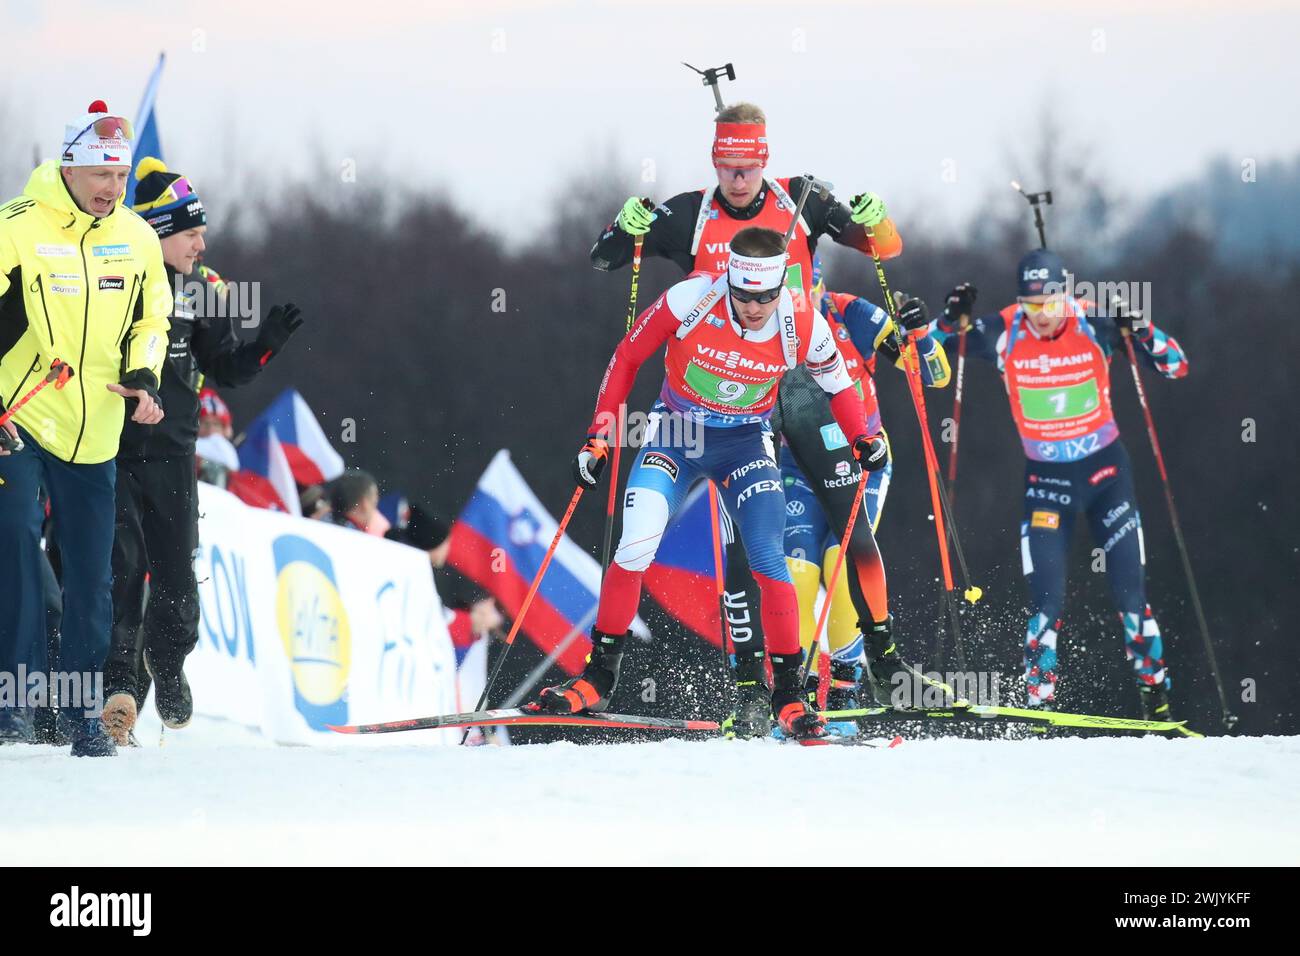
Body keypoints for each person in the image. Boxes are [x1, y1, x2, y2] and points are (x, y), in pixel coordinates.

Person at [589, 101, 937, 736]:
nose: (737, 179)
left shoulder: (803, 199)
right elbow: (606, 259)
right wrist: (622, 228)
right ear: (713, 160)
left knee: (846, 529)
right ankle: (756, 684)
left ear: (765, 159)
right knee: (741, 546)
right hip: (713, 397)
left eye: (747, 166)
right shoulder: (691, 212)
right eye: (726, 165)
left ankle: (884, 664)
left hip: (795, 382)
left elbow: (884, 246)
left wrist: (876, 218)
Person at [531, 227, 886, 741]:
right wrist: (598, 439)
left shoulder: (800, 322)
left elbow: (838, 383)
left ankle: (787, 694)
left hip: (744, 442)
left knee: (768, 555)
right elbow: (628, 357)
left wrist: (862, 437)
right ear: (729, 280)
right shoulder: (692, 297)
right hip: (675, 434)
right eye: (744, 296)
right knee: (635, 544)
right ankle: (597, 678)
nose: (755, 308)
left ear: (781, 287)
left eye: (766, 297)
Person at [932, 251, 1188, 719]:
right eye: (1032, 307)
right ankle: (1039, 710)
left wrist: (1143, 326)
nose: (1043, 317)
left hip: (1106, 477)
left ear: (1066, 296)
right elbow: (921, 356)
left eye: (1051, 304)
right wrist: (949, 320)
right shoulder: (1006, 330)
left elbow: (1176, 366)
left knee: (1132, 599)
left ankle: (1159, 702)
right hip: (1047, 483)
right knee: (1045, 606)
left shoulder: (1094, 324)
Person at [103, 158, 306, 744]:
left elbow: (227, 371)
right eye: (191, 234)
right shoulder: (116, 276)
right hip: (111, 452)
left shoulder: (208, 289)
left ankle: (167, 663)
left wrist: (266, 345)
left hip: (172, 456)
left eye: (202, 233)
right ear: (159, 233)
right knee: (121, 570)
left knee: (176, 584)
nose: (201, 243)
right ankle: (116, 690)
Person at [0, 101, 171, 756]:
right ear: (68, 166)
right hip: (19, 416)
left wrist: (146, 377)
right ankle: (14, 704)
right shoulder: (16, 226)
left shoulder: (137, 238)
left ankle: (78, 720)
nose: (111, 188)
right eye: (100, 173)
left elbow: (151, 321)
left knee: (94, 578)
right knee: (15, 532)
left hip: (95, 429)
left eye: (120, 175)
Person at [783, 256, 950, 728]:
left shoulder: (848, 312)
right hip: (798, 464)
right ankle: (790, 695)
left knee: (842, 561)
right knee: (795, 571)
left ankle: (843, 693)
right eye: (789, 302)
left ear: (819, 289)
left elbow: (933, 375)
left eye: (807, 298)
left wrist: (919, 333)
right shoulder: (760, 324)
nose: (799, 314)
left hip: (860, 460)